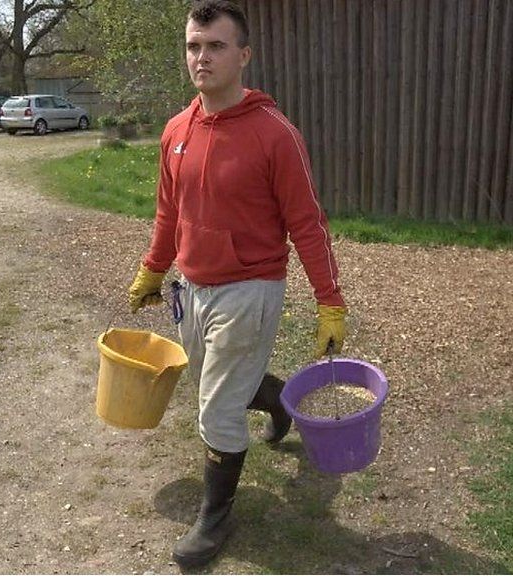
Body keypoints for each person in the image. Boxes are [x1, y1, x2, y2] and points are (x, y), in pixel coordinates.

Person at [127, 0, 348, 568]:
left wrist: (330, 304)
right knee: (212, 383)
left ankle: (215, 517)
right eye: (194, 46)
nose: (202, 57)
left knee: (214, 410)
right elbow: (167, 214)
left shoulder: (275, 135)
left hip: (250, 288)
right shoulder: (176, 129)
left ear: (243, 56)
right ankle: (275, 398)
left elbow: (308, 225)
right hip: (190, 287)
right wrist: (155, 268)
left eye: (216, 46)